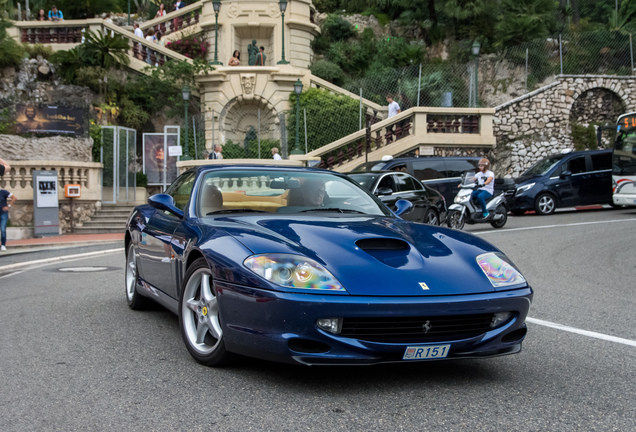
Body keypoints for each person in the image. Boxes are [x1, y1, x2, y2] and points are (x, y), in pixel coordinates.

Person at [1, 187, 17, 251]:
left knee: (3, 229)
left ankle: (3, 245)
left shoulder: (4, 192)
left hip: (3, 214)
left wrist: (8, 206)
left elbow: (14, 197)